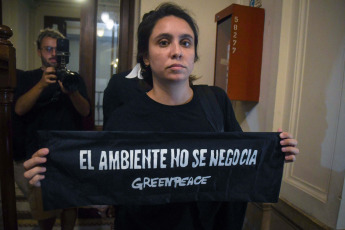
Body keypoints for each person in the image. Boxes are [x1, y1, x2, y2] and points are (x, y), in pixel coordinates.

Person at [23, 4, 299, 230]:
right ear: (145, 56)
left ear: (193, 54)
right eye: (164, 42)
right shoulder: (125, 117)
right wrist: (55, 171)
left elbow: (239, 164)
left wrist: (274, 152)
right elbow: (106, 181)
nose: (176, 51)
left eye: (186, 42)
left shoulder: (216, 101)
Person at [15, 28, 90, 230]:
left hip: (68, 149)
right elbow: (19, 109)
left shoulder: (74, 78)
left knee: (69, 202)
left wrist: (71, 92)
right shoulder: (28, 78)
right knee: (43, 205)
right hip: (39, 150)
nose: (53, 54)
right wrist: (41, 85)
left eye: (57, 49)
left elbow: (85, 111)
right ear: (39, 51)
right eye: (48, 49)